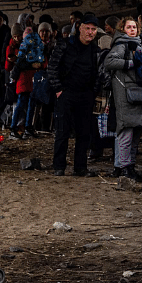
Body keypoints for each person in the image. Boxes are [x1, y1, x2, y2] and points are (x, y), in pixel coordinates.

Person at [104, 18, 142, 181]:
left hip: (138, 93)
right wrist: (130, 63)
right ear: (122, 29)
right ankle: (125, 167)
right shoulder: (121, 45)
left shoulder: (138, 45)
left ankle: (126, 166)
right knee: (126, 132)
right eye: (128, 27)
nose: (132, 30)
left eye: (134, 27)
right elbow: (110, 62)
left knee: (134, 131)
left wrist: (141, 51)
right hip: (126, 95)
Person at [48, 16, 103, 176]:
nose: (90, 32)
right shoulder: (65, 44)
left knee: (84, 133)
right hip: (66, 93)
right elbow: (52, 68)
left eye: (93, 29)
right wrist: (59, 89)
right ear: (80, 28)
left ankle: (80, 167)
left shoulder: (95, 50)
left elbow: (98, 73)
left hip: (86, 95)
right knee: (62, 131)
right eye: (88, 28)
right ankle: (59, 166)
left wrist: (94, 92)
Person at [10, 26, 45, 139]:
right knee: (22, 105)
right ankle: (14, 128)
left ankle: (27, 127)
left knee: (30, 105)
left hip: (31, 82)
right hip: (25, 82)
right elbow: (19, 65)